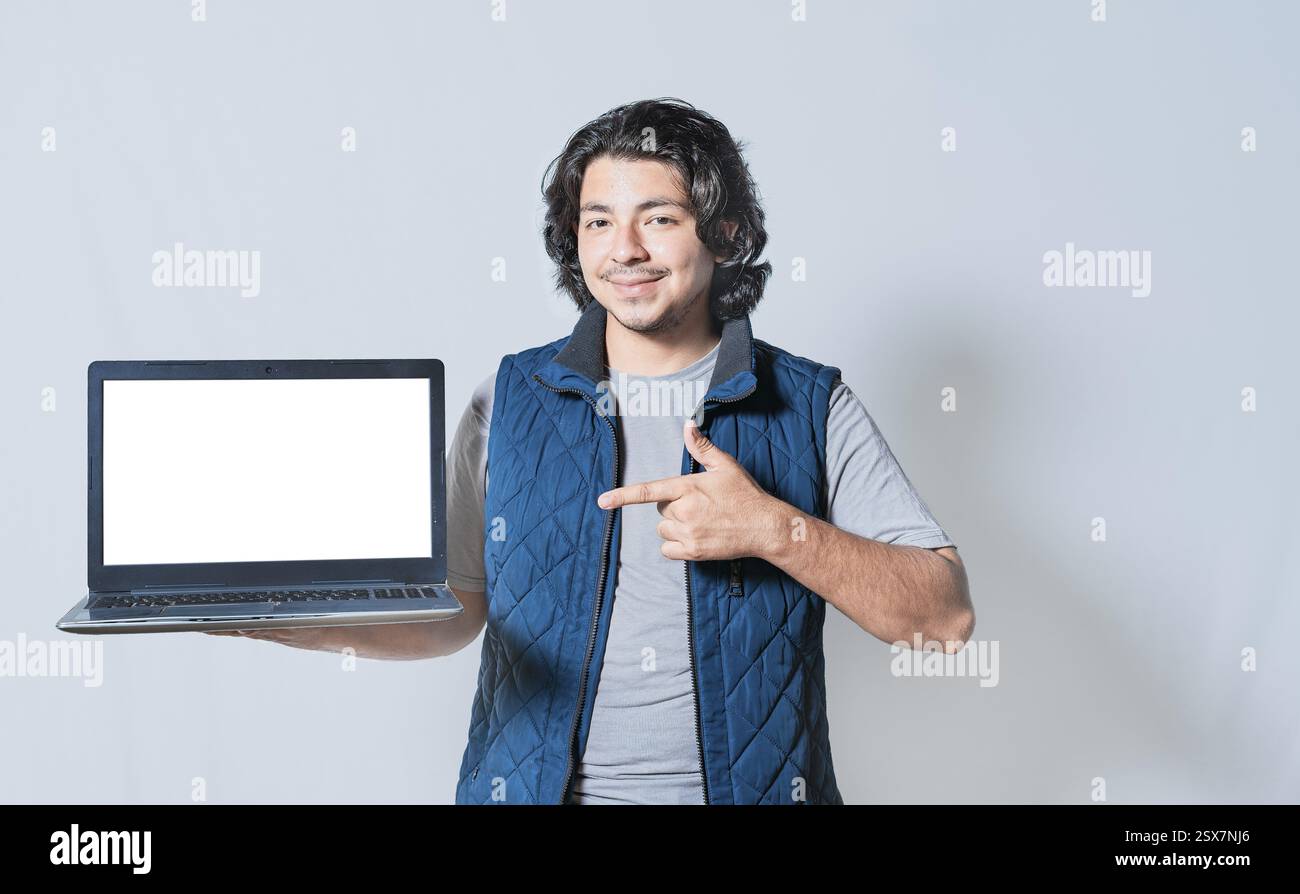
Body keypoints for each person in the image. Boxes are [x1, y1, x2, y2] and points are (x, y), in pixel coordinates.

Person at [213, 98, 973, 806]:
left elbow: (944, 621)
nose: (626, 251)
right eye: (599, 223)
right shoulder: (507, 401)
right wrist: (283, 617)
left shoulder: (809, 404)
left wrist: (775, 530)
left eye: (660, 218)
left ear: (728, 233)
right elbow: (454, 613)